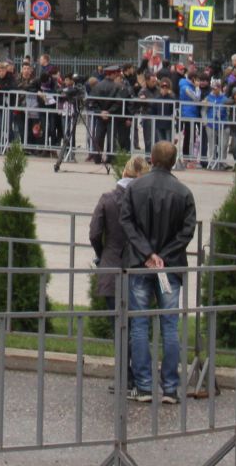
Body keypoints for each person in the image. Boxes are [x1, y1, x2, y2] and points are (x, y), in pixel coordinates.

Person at [117, 140, 197, 404]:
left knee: (139, 325)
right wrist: (162, 255)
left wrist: (147, 254)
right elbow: (187, 232)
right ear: (174, 162)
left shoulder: (135, 187)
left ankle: (143, 386)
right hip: (168, 265)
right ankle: (171, 388)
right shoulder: (183, 193)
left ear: (151, 159)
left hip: (142, 264)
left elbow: (126, 222)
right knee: (170, 326)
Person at [89, 154, 149, 377]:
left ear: (124, 173)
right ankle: (139, 376)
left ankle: (125, 375)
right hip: (139, 267)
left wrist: (101, 254)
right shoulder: (145, 201)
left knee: (119, 326)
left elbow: (95, 233)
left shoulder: (108, 199)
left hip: (112, 264)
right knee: (137, 326)